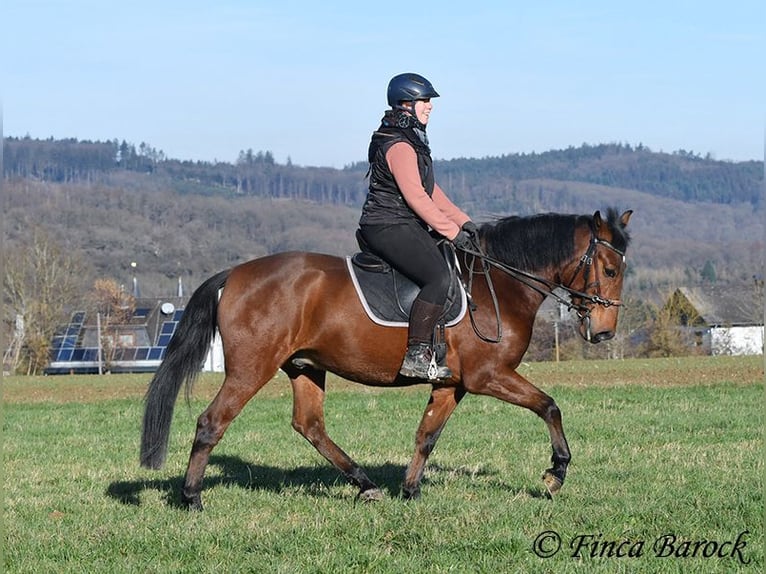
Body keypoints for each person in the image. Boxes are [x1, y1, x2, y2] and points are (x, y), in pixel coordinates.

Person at [358, 72, 479, 380]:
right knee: (439, 277)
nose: (430, 107)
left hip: (401, 222)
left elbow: (430, 191)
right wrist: (451, 233)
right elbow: (415, 198)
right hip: (387, 224)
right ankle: (416, 354)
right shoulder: (399, 144)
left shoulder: (413, 139)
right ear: (405, 104)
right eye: (425, 101)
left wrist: (463, 222)